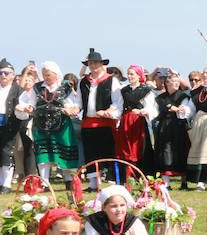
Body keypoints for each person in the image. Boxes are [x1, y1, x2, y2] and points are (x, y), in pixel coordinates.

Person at [18, 62, 80, 187]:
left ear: (56, 74)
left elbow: (71, 103)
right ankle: (44, 181)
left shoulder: (65, 86)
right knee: (43, 153)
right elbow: (32, 103)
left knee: (63, 151)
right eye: (44, 75)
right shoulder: (37, 87)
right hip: (41, 125)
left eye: (48, 75)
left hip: (62, 124)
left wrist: (69, 109)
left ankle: (68, 179)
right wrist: (29, 107)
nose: (46, 77)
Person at [78, 48, 124, 190]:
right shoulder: (83, 82)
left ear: (101, 64)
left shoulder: (111, 81)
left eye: (95, 63)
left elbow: (118, 102)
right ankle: (93, 184)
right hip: (88, 123)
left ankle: (113, 184)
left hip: (105, 123)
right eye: (90, 63)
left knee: (108, 154)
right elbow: (79, 102)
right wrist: (74, 109)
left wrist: (108, 111)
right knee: (90, 154)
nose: (93, 66)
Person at [114, 65, 157, 175]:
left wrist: (144, 111)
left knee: (138, 148)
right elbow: (119, 106)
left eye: (132, 74)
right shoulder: (124, 90)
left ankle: (140, 175)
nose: (129, 76)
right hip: (126, 122)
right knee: (124, 148)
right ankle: (125, 176)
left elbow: (151, 107)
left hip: (138, 123)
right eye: (128, 74)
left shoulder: (146, 91)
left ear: (139, 76)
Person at [153, 72, 193, 185]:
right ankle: (166, 182)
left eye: (177, 82)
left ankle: (184, 182)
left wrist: (181, 109)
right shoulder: (160, 98)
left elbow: (185, 110)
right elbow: (156, 111)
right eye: (173, 81)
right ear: (167, 83)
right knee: (164, 152)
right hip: (164, 127)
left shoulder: (183, 96)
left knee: (181, 151)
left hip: (179, 126)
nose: (176, 84)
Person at [0, 60, 24, 192]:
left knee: (6, 152)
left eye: (6, 73)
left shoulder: (18, 90)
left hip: (11, 124)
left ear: (12, 74)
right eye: (1, 73)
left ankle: (7, 184)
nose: (3, 76)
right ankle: (1, 182)